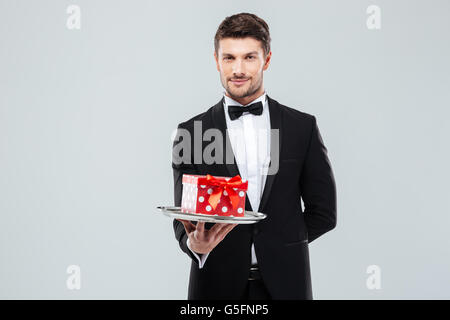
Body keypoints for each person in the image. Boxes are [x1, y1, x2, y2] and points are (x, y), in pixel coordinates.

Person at [172, 12, 337, 300]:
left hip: (287, 287)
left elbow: (324, 213)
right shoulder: (191, 132)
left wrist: (280, 244)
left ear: (267, 60)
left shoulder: (302, 127)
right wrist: (194, 244)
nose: (238, 69)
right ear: (216, 61)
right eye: (229, 58)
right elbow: (183, 218)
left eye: (249, 57)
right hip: (214, 288)